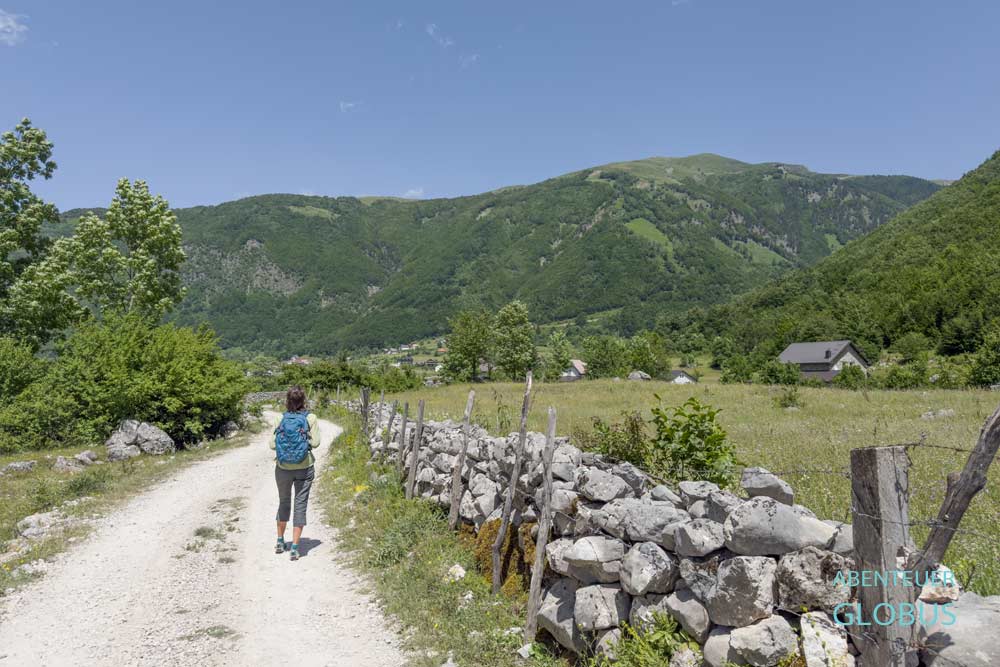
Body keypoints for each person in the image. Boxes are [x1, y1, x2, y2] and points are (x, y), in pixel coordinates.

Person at [270, 386, 320, 561]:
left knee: (284, 501)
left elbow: (272, 445)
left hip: (282, 468)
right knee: (300, 504)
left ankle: (280, 541)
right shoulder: (310, 418)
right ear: (303, 401)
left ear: (287, 401)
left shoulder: (279, 418)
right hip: (304, 468)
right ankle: (295, 548)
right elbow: (316, 443)